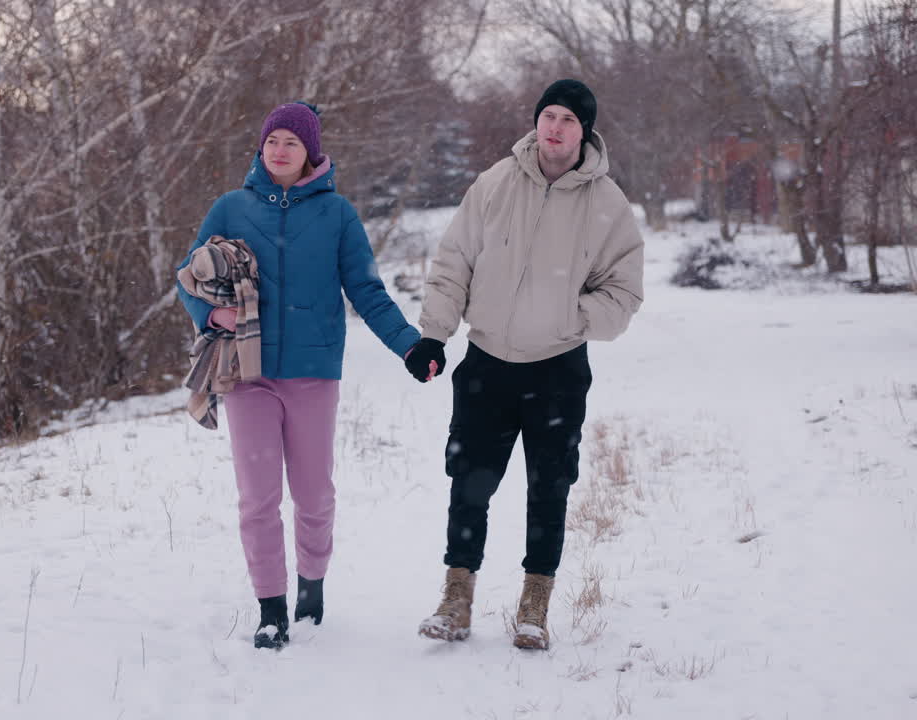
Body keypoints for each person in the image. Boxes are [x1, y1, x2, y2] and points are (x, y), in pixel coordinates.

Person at [404, 79, 644, 650]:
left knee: (550, 485)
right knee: (469, 479)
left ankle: (534, 602)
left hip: (557, 369)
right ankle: (456, 595)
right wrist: (434, 335)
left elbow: (625, 293)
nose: (555, 127)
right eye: (548, 116)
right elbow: (453, 261)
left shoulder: (607, 204)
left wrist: (570, 315)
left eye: (568, 119)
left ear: (585, 132)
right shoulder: (495, 182)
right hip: (487, 363)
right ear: (537, 121)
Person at [175, 101, 421, 650]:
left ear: (310, 151)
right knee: (257, 498)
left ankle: (312, 584)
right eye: (272, 141)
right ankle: (270, 608)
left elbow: (366, 291)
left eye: (291, 141)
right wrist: (210, 314)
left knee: (314, 495)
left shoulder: (338, 215)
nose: (280, 150)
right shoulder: (230, 209)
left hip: (313, 372)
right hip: (248, 371)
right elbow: (186, 277)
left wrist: (409, 345)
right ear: (261, 148)